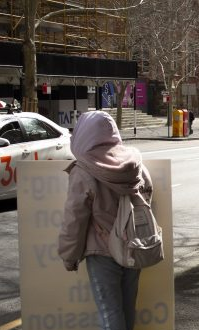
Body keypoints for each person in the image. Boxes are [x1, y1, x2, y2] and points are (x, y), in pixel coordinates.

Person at [58, 111, 153, 330]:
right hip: (134, 246)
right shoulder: (134, 161)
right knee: (128, 307)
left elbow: (75, 218)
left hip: (102, 251)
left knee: (109, 312)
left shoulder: (83, 170)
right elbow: (147, 193)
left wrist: (69, 255)